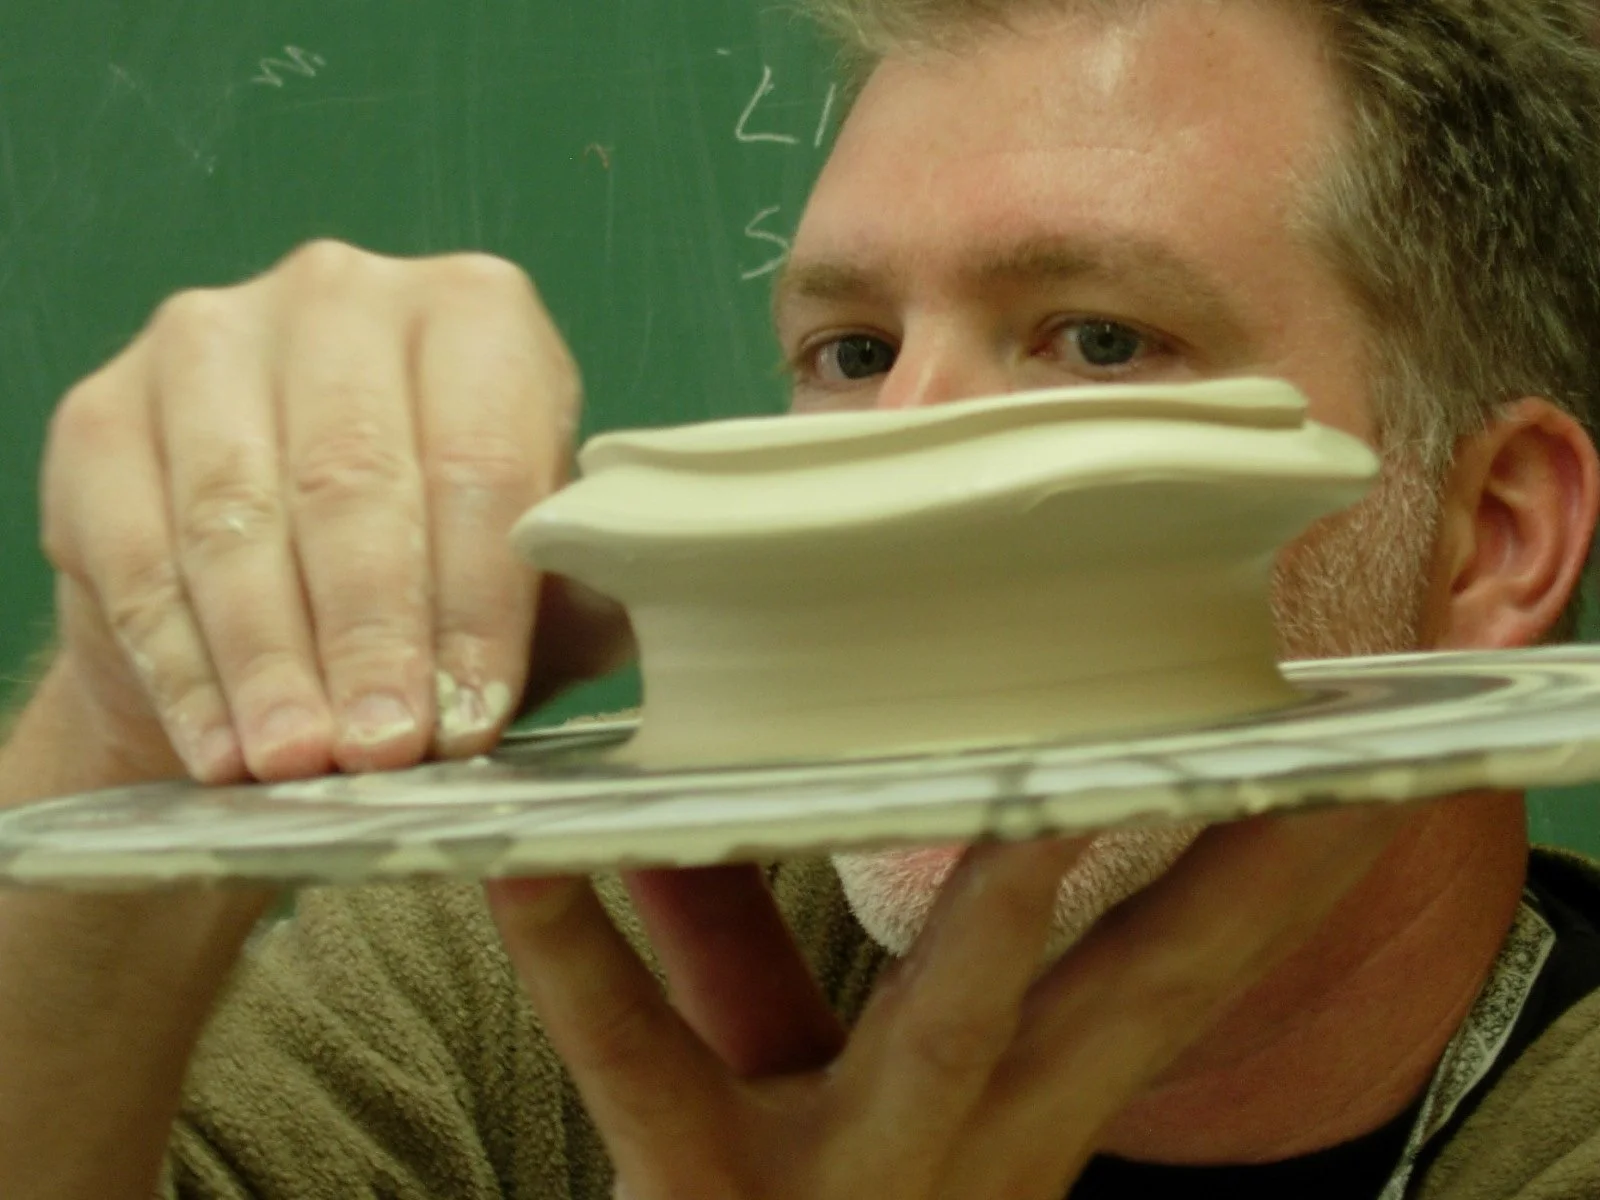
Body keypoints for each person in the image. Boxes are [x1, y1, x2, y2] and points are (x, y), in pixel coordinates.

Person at [4, 0, 1600, 1196]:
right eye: (852, 355)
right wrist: (139, 712)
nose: (891, 475)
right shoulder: (567, 968)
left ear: (1493, 537)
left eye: (1098, 341)